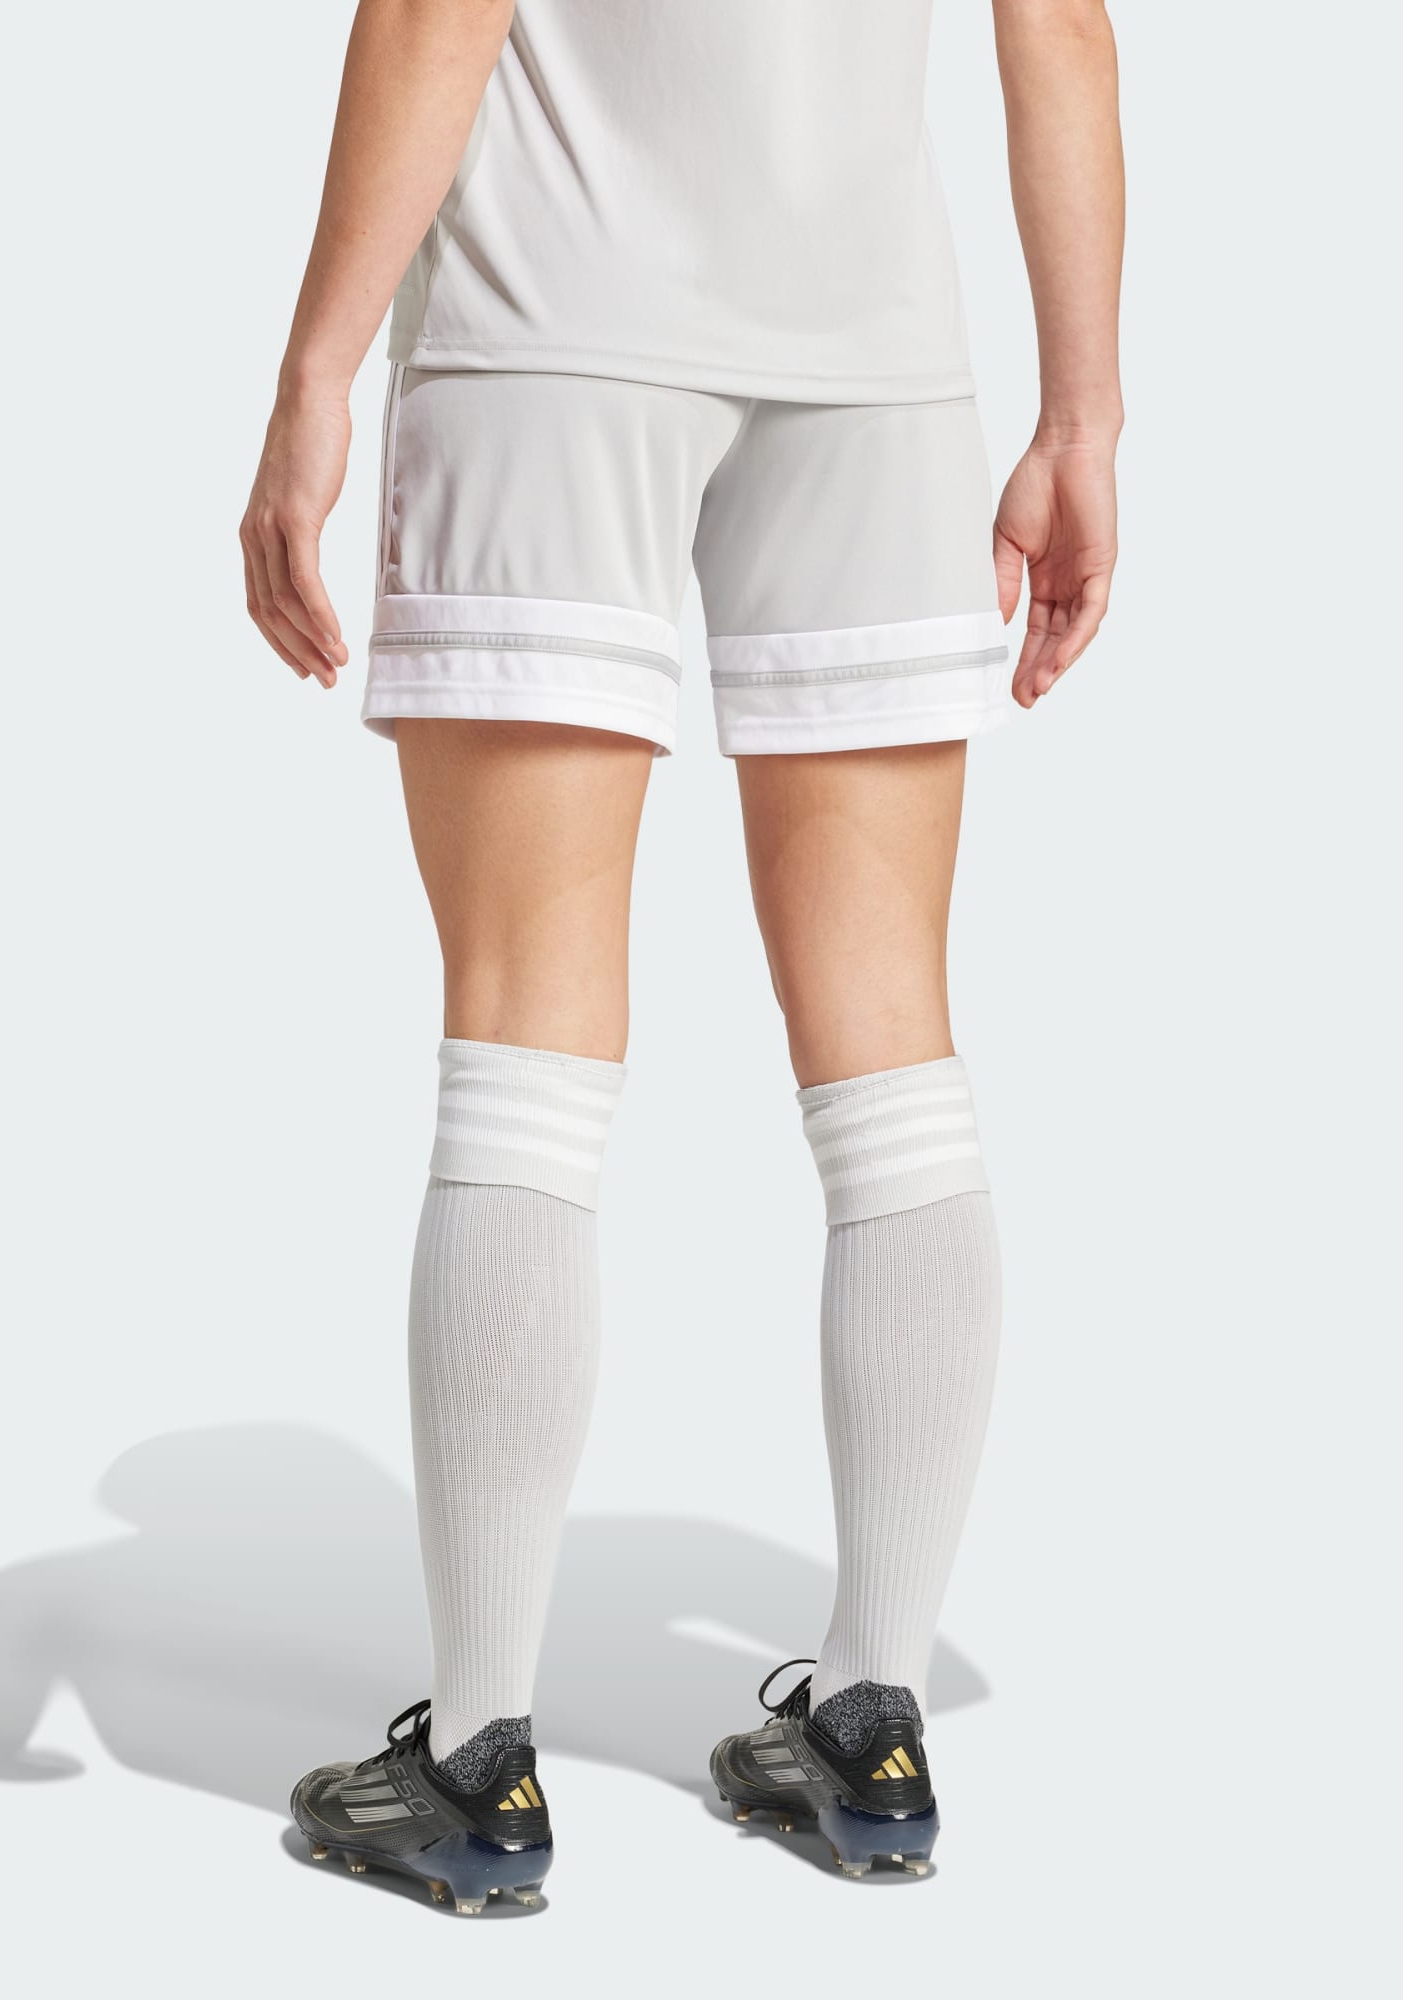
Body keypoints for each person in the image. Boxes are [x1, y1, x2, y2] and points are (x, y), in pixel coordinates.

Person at [240, 0, 1122, 1913]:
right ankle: (873, 1723)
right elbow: (1057, 25)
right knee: (892, 1051)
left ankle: (477, 1762)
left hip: (550, 327)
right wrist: (1082, 417)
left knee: (526, 1042)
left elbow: (439, 11)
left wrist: (315, 374)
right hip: (875, 356)